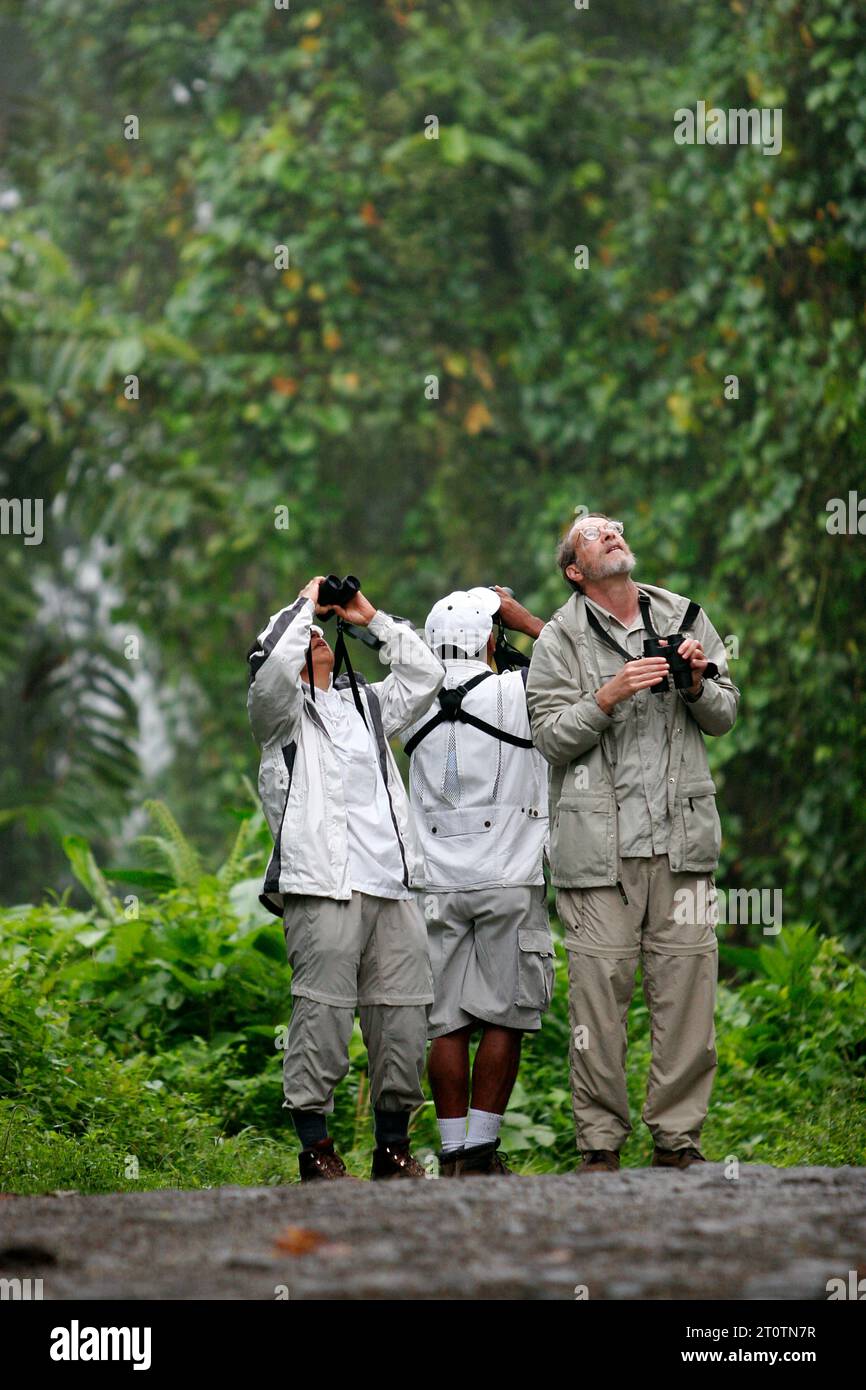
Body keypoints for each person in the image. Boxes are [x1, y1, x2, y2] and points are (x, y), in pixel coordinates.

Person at [525, 515, 739, 1173]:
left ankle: (679, 1141)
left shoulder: (685, 613)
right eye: (595, 535)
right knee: (598, 1003)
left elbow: (725, 715)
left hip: (682, 841)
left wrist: (698, 682)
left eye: (616, 528)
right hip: (599, 854)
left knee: (687, 997)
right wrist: (608, 695)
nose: (613, 534)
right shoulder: (558, 638)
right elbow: (549, 737)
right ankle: (599, 1145)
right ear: (573, 568)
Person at [246, 576, 445, 1181]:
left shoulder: (369, 703)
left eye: (318, 634)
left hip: (390, 883)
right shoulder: (278, 717)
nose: (315, 641)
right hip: (322, 883)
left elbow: (426, 676)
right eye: (305, 638)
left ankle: (392, 1150)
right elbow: (275, 669)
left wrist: (368, 617)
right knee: (323, 1018)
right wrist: (304, 604)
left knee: (404, 1020)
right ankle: (316, 1150)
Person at [400, 586, 552, 1177]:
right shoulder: (520, 690)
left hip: (436, 882)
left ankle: (452, 1151)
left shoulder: (411, 699)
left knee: (447, 1021)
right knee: (504, 1014)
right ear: (491, 638)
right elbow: (586, 664)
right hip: (509, 876)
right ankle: (483, 1154)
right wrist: (528, 623)